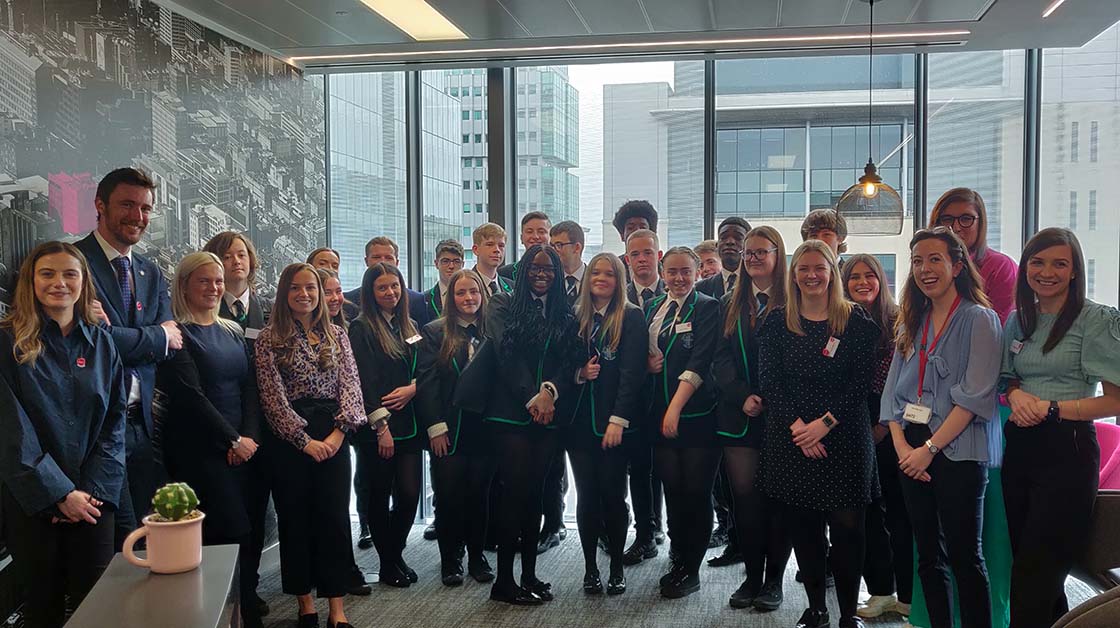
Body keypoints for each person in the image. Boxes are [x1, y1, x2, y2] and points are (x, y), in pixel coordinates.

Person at [0, 241, 125, 628]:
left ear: (83, 281)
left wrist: (89, 493)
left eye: (70, 273)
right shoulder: (7, 342)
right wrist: (57, 493)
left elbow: (114, 423)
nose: (60, 283)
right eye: (47, 273)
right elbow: (10, 428)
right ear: (30, 281)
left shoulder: (102, 342)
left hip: (93, 502)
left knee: (100, 607)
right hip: (32, 502)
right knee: (44, 608)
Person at [881, 227, 1001, 628]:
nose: (925, 269)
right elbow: (892, 393)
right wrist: (901, 446)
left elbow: (974, 396)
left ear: (957, 264)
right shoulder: (912, 321)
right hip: (910, 448)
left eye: (935, 259)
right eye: (917, 261)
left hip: (956, 449)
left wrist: (928, 449)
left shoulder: (980, 319)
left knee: (966, 557)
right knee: (928, 557)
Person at [1001, 228, 1120, 628]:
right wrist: (1017, 397)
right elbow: (1006, 380)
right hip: (1019, 447)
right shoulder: (1019, 319)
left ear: (1074, 271)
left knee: (1035, 571)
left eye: (1059, 263)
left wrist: (1051, 408)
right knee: (1034, 569)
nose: (1046, 271)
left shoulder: (1094, 319)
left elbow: (1115, 400)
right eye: (1037, 261)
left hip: (1067, 449)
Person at [758, 239, 880, 628]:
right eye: (803, 268)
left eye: (819, 268)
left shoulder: (857, 322)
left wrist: (822, 426)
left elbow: (862, 383)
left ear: (832, 272)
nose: (811, 275)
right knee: (805, 529)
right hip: (791, 438)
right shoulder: (777, 321)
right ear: (793, 274)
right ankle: (816, 609)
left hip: (844, 438)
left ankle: (847, 613)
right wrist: (800, 429)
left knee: (849, 531)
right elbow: (770, 382)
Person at [255, 263, 366, 628]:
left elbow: (351, 387)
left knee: (334, 520)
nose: (304, 294)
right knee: (296, 520)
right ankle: (305, 604)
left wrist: (337, 434)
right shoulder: (269, 338)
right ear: (284, 294)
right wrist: (304, 441)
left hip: (334, 434)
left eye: (311, 289)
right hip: (290, 442)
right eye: (296, 289)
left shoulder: (337, 334)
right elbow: (272, 399)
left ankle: (337, 608)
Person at [73, 167, 179, 548]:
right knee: (111, 543)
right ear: (100, 205)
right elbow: (90, 344)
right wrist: (153, 338)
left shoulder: (149, 272)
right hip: (98, 430)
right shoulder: (73, 264)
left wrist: (123, 337)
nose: (138, 216)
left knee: (150, 536)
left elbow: (172, 340)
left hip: (143, 424)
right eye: (127, 205)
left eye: (146, 208)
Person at [156, 252, 263, 628]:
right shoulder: (176, 334)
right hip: (201, 453)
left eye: (217, 281)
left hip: (244, 451)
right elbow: (190, 397)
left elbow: (251, 388)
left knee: (248, 533)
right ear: (184, 285)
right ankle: (215, 616)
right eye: (204, 280)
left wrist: (248, 437)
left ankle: (246, 611)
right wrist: (232, 440)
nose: (214, 288)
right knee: (227, 534)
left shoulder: (232, 331)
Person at [474, 245, 582, 605]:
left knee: (536, 495)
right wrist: (531, 397)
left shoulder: (564, 312)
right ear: (522, 271)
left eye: (549, 268)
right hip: (510, 413)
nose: (542, 273)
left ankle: (530, 575)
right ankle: (504, 582)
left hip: (550, 413)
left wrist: (550, 392)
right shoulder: (502, 304)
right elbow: (506, 355)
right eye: (534, 267)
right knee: (514, 495)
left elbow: (570, 361)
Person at [711, 225, 792, 613]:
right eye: (749, 253)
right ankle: (752, 577)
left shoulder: (795, 300)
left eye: (762, 251)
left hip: (783, 417)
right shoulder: (729, 301)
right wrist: (742, 395)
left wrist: (772, 399)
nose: (754, 258)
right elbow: (719, 358)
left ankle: (774, 581)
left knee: (778, 500)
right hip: (738, 414)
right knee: (745, 501)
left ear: (778, 256)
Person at [202, 231, 278, 615]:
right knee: (228, 518)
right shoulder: (206, 310)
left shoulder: (268, 307)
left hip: (270, 427)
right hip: (226, 430)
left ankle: (250, 587)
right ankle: (225, 594)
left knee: (258, 513)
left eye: (242, 254)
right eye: (228, 256)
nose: (237, 262)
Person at [564, 253, 646, 596]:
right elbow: (560, 362)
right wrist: (578, 374)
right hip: (579, 424)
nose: (600, 278)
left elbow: (633, 373)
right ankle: (589, 569)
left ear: (619, 279)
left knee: (613, 496)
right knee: (587, 497)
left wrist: (618, 420)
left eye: (609, 273)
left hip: (615, 423)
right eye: (595, 272)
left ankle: (615, 566)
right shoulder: (573, 315)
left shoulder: (631, 316)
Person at [644, 246, 720, 599]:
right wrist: (647, 364)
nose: (678, 278)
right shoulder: (651, 308)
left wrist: (674, 407)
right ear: (662, 271)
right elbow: (643, 353)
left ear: (697, 272)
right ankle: (678, 554)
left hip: (695, 415)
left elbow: (702, 360)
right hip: (657, 415)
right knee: (672, 489)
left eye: (685, 272)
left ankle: (691, 568)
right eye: (671, 271)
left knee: (695, 492)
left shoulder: (707, 307)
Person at [842, 254, 913, 621]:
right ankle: (881, 590)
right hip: (852, 423)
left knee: (899, 513)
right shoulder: (840, 321)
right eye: (854, 277)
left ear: (880, 280)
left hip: (895, 425)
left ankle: (909, 593)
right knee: (867, 513)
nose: (862, 282)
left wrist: (884, 426)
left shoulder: (899, 319)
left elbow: (903, 380)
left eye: (869, 275)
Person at [415, 269, 497, 586]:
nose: (468, 299)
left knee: (480, 495)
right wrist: (435, 427)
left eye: (474, 292)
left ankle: (477, 556)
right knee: (449, 498)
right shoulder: (434, 332)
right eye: (461, 293)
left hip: (485, 430)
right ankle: (450, 560)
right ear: (451, 298)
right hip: (448, 430)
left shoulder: (493, 330)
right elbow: (427, 383)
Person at [348, 262, 424, 588]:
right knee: (379, 495)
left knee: (409, 495)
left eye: (395, 286)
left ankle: (395, 553)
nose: (390, 292)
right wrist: (382, 427)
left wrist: (414, 388)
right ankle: (388, 563)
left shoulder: (411, 325)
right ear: (371, 292)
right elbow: (363, 381)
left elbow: (427, 370)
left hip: (410, 423)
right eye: (382, 288)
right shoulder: (361, 327)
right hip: (377, 427)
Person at [537, 220, 585, 555]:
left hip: (588, 394)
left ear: (577, 248)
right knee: (550, 466)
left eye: (559, 244)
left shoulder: (597, 281)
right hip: (551, 391)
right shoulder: (546, 287)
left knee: (590, 470)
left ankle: (597, 527)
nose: (554, 250)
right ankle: (552, 525)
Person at [620, 228, 666, 565]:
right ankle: (645, 533)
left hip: (668, 399)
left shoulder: (677, 290)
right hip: (631, 402)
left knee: (663, 469)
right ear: (626, 259)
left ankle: (667, 530)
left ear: (658, 256)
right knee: (638, 469)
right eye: (634, 254)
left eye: (647, 253)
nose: (641, 260)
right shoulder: (617, 298)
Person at [928, 188, 1018, 323]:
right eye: (947, 219)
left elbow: (999, 331)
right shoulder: (925, 265)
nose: (956, 227)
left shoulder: (1000, 267)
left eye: (966, 219)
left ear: (980, 223)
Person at [344, 236, 429, 326]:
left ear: (397, 262)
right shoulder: (349, 300)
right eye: (376, 257)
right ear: (366, 261)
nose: (382, 262)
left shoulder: (416, 300)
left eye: (388, 258)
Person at [696, 217, 751, 300]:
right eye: (724, 237)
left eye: (738, 238)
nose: (730, 242)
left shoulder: (757, 284)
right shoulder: (701, 288)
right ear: (717, 246)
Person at [498, 211, 551, 282]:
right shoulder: (504, 273)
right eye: (529, 232)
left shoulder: (559, 271)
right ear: (521, 238)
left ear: (550, 237)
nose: (535, 236)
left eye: (541, 232)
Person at [420, 239, 465, 322]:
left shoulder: (472, 297)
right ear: (436, 264)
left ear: (463, 264)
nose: (451, 266)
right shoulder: (423, 299)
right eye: (445, 261)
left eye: (456, 261)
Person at [471, 223, 512, 297]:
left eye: (501, 246)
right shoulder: (465, 285)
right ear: (476, 250)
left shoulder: (512, 287)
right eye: (490, 244)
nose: (497, 250)